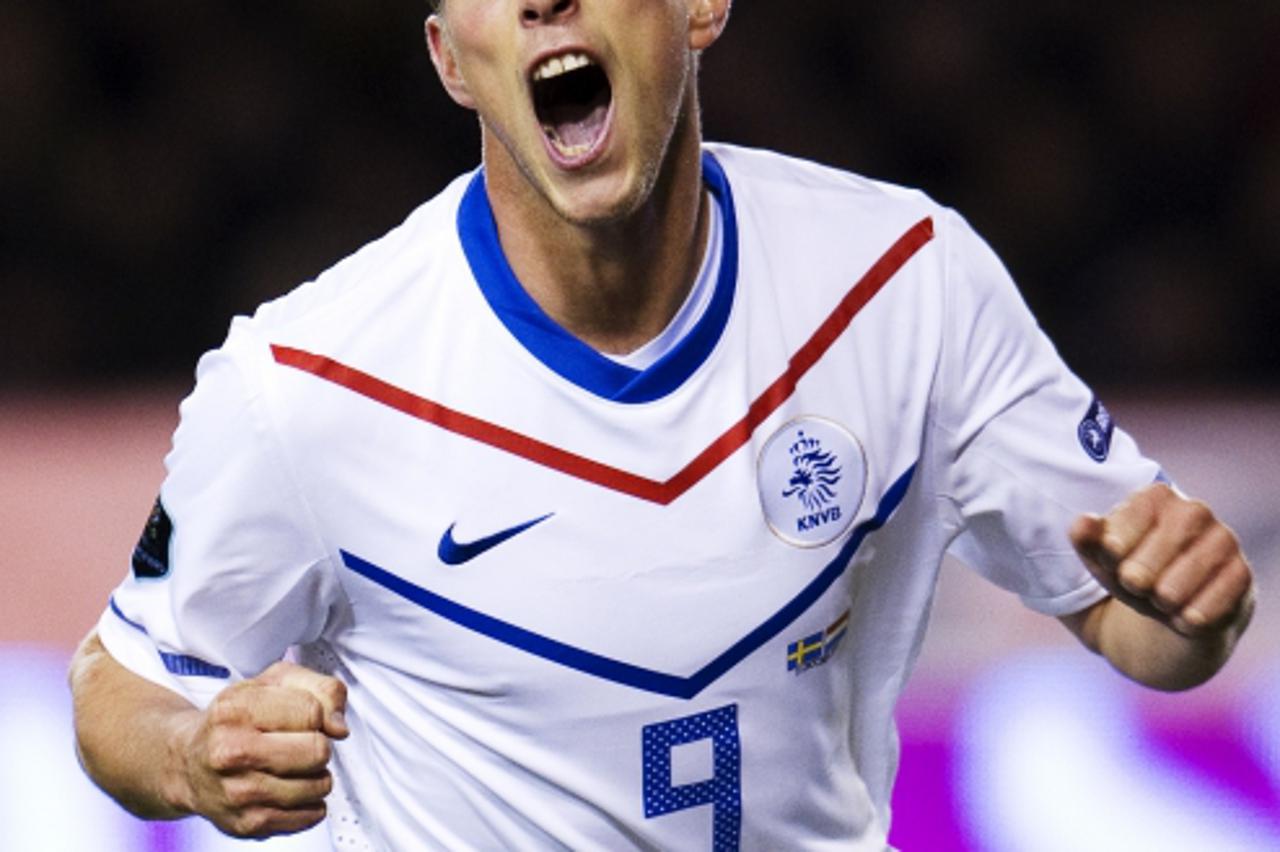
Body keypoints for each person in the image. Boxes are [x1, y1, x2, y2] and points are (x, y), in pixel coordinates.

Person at [70, 0, 1257, 848]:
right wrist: (191, 755)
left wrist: (1190, 610)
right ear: (449, 58)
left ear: (700, 8)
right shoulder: (305, 380)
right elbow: (119, 685)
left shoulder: (905, 284)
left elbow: (1132, 625)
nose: (544, 4)